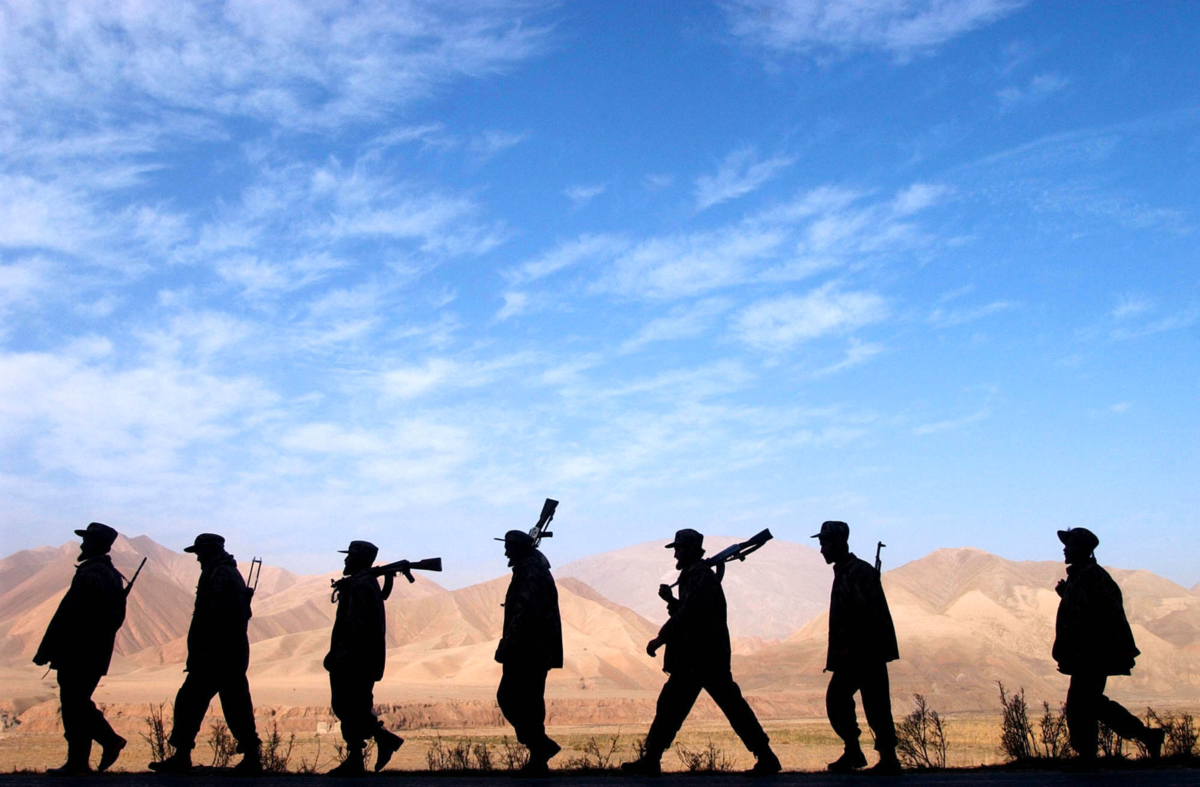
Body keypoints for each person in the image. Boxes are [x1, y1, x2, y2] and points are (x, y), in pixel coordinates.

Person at [622, 529, 780, 777]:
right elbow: (688, 611)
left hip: (701, 658)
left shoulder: (700, 577)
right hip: (699, 657)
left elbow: (689, 616)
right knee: (679, 706)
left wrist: (660, 639)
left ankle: (651, 759)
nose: (675, 554)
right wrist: (671, 600)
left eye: (679, 548)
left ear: (691, 550)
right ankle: (651, 758)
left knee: (691, 707)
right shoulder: (695, 576)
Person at [149, 534, 262, 774]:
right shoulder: (221, 572)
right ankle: (249, 756)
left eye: (200, 552)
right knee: (233, 705)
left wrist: (205, 652)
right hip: (223, 653)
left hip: (218, 654)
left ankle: (183, 756)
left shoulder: (220, 574)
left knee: (194, 702)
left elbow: (219, 618)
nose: (198, 558)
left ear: (209, 551)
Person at [1053, 527, 1164, 769]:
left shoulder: (1092, 577)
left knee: (1080, 704)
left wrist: (1093, 649)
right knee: (1090, 703)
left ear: (1082, 549)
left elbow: (1104, 614)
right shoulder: (1082, 576)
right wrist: (1066, 594)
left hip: (1093, 654)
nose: (1064, 548)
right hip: (1087, 654)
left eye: (1069, 544)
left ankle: (1088, 757)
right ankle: (1147, 737)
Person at [33, 523, 129, 775]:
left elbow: (74, 617)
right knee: (76, 704)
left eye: (87, 541)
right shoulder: (103, 573)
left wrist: (55, 648)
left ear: (97, 544)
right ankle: (79, 760)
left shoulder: (94, 574)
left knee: (74, 704)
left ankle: (105, 743)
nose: (82, 545)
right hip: (87, 652)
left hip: (80, 653)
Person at [813, 520, 901, 774]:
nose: (822, 550)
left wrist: (856, 650)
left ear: (839, 543)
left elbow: (870, 616)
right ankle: (859, 752)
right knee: (845, 701)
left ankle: (884, 757)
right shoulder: (845, 572)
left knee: (872, 705)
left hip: (864, 653)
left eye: (825, 544)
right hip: (852, 654)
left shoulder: (858, 572)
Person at [323, 541, 404, 776]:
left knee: (349, 707)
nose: (346, 561)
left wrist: (342, 657)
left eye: (350, 557)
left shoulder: (362, 585)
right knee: (351, 708)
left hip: (355, 660)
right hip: (357, 659)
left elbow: (356, 627)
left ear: (359, 560)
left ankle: (370, 749)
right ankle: (362, 754)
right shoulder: (362, 583)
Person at [494, 530, 563, 775]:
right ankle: (539, 753)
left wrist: (508, 644)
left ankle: (539, 747)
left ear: (520, 550)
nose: (505, 552)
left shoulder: (532, 574)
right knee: (527, 702)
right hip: (530, 649)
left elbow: (525, 614)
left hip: (528, 650)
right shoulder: (530, 571)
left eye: (509, 547)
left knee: (512, 698)